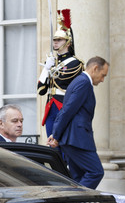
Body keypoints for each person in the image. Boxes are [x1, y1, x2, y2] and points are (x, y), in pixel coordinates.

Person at [47, 56, 109, 189]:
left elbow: (66, 110)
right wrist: (56, 135)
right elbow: (67, 110)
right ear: (95, 68)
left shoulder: (79, 81)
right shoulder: (84, 83)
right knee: (96, 172)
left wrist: (57, 134)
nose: (102, 80)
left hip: (71, 140)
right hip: (77, 140)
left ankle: (73, 200)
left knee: (78, 178)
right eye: (103, 75)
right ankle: (76, 200)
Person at [38, 9, 85, 137]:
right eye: (54, 39)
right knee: (51, 143)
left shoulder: (75, 64)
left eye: (59, 39)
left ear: (68, 42)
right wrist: (46, 68)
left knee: (63, 143)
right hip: (51, 106)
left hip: (64, 107)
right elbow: (41, 90)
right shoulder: (51, 62)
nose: (55, 42)